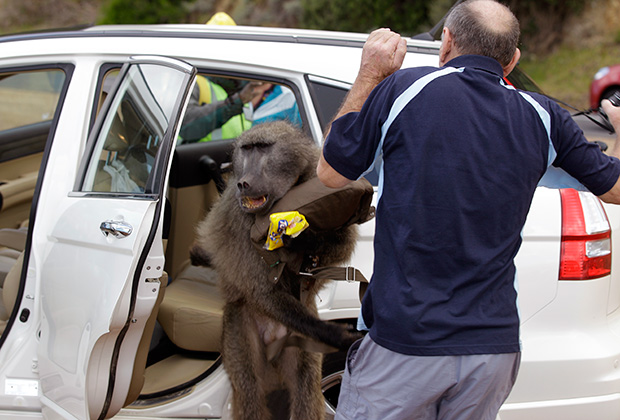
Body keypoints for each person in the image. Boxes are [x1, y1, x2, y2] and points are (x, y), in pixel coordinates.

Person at [316, 1, 620, 419]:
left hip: (406, 345)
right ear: (512, 60)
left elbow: (331, 172)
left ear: (447, 42)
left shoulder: (404, 89)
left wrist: (370, 73)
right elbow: (614, 188)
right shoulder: (544, 116)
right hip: (491, 352)